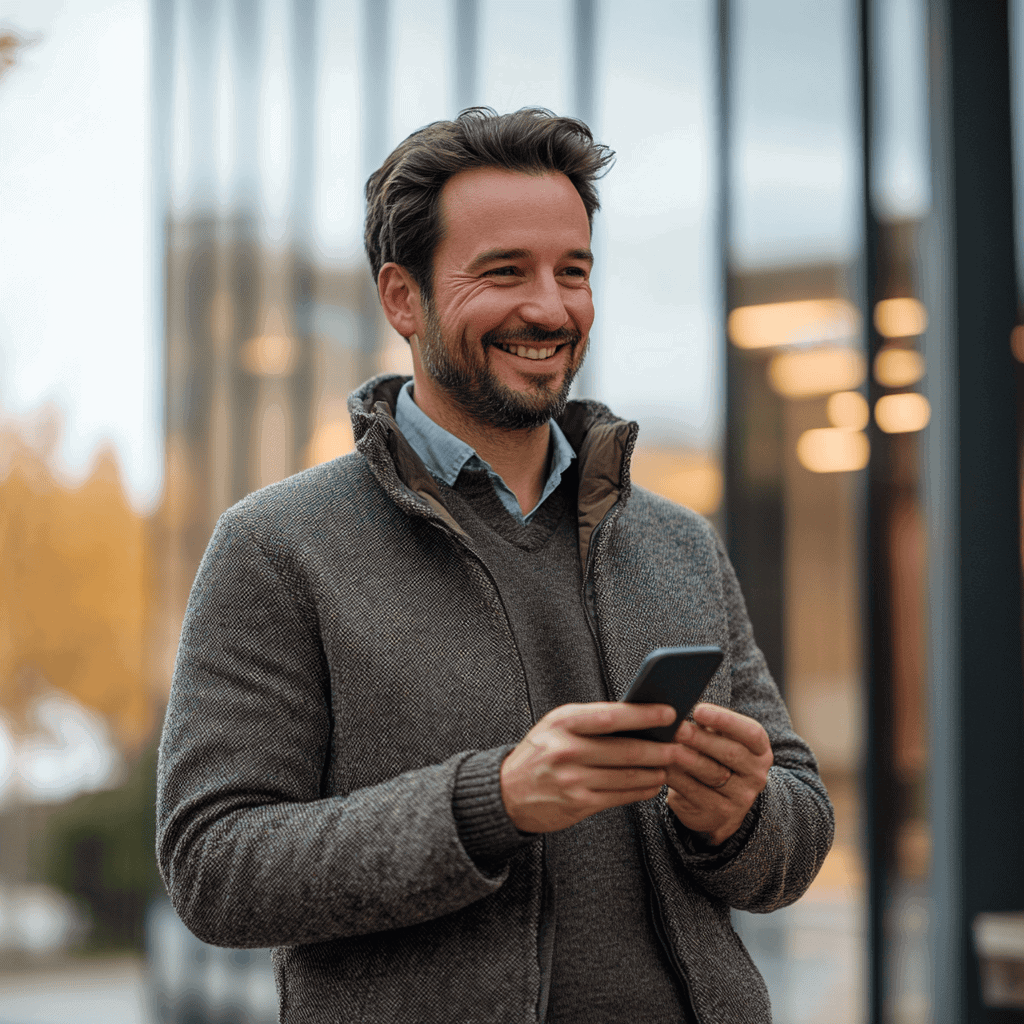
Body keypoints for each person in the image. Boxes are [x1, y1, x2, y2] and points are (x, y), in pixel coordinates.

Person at [157, 107, 834, 1024]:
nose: (550, 309)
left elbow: (796, 828)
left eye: (574, 272)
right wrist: (489, 803)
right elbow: (214, 866)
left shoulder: (678, 543)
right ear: (404, 299)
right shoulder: (278, 547)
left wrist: (740, 818)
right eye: (504, 272)